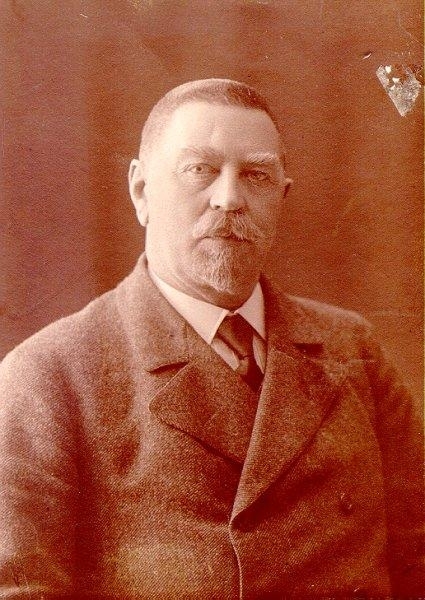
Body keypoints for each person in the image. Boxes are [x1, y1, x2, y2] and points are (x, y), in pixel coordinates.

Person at [0, 78, 423, 599]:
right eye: (199, 170)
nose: (229, 199)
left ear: (282, 196)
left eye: (256, 175)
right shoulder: (48, 378)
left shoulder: (353, 350)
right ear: (141, 190)